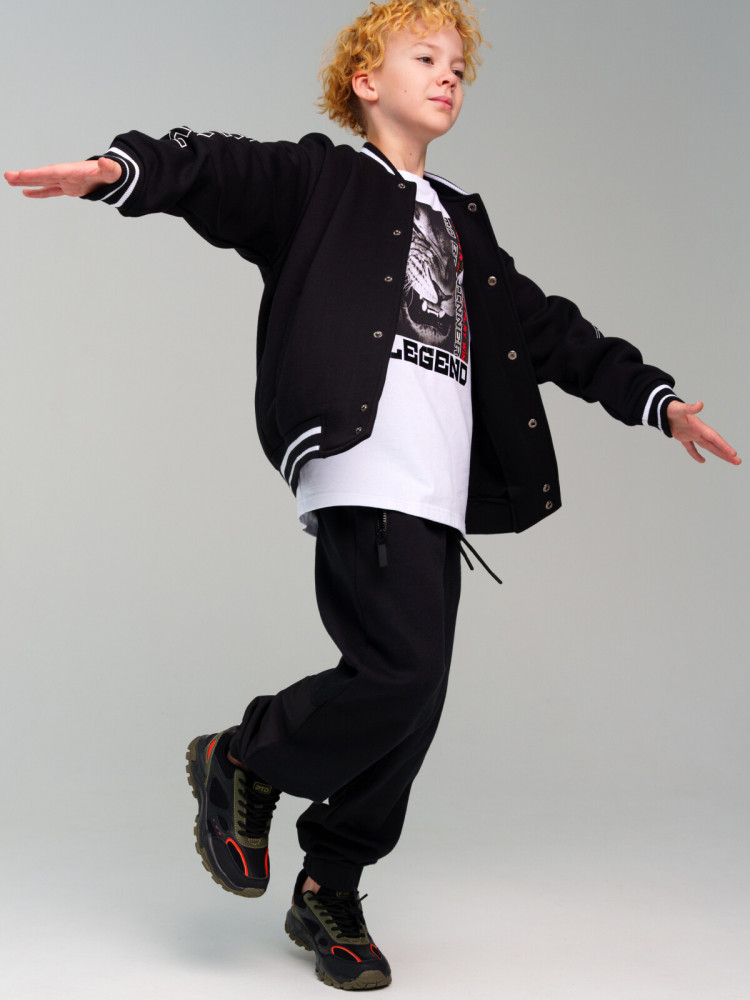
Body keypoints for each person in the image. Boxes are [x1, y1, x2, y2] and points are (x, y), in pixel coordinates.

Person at [4, 0, 740, 991]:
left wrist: (657, 401)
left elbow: (550, 330)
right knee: (399, 671)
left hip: (437, 488)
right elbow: (218, 169)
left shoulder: (463, 225)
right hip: (362, 460)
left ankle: (330, 887)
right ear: (366, 81)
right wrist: (119, 170)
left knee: (413, 695)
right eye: (425, 57)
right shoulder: (323, 183)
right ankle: (245, 757)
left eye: (459, 67)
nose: (448, 75)